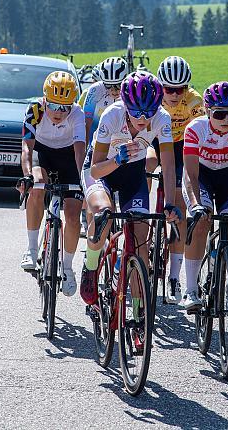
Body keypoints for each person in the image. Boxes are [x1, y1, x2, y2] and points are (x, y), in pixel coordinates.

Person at [79, 71, 181, 306]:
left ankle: (138, 312)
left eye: (149, 112)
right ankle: (91, 265)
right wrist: (117, 160)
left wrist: (170, 203)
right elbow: (95, 170)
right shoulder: (111, 115)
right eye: (136, 112)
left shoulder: (162, 119)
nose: (143, 118)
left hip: (133, 175)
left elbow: (168, 165)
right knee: (103, 212)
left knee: (140, 241)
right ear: (125, 105)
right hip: (103, 170)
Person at [180, 81, 228, 310]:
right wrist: (196, 205)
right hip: (202, 178)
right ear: (207, 110)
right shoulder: (195, 129)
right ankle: (191, 290)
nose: (226, 120)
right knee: (201, 224)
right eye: (220, 114)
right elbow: (190, 175)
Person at [18, 71, 86, 297]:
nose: (59, 112)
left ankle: (67, 268)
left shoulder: (77, 114)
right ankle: (31, 248)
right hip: (42, 154)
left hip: (68, 158)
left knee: (74, 215)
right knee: (37, 184)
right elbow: (27, 147)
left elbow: (79, 151)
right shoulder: (34, 110)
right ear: (45, 99)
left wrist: (84, 182)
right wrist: (27, 175)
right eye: (54, 105)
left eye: (64, 107)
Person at [147, 56, 205, 304]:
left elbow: (199, 134)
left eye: (179, 89)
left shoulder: (194, 102)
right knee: (147, 164)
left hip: (181, 145)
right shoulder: (152, 97)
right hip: (155, 142)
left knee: (180, 205)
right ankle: (142, 208)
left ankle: (173, 278)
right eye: (168, 89)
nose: (173, 94)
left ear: (187, 87)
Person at [78, 57, 129, 236]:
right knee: (93, 178)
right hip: (98, 137)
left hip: (121, 142)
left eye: (118, 86)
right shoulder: (95, 91)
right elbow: (86, 123)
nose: (114, 91)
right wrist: (84, 150)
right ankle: (89, 217)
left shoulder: (131, 91)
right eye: (109, 86)